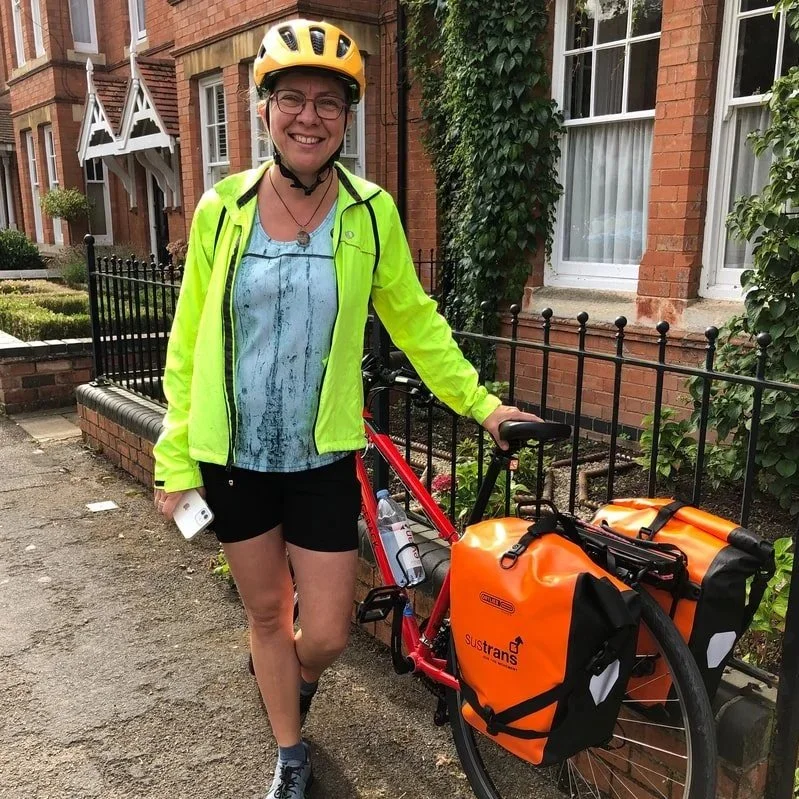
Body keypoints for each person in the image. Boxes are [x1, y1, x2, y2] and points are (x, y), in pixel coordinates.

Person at [152, 18, 540, 799]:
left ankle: (287, 675)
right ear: (264, 110)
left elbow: (416, 322)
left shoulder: (369, 213)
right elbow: (188, 340)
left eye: (328, 102)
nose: (309, 116)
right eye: (291, 98)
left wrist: (482, 404)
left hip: (321, 456)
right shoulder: (221, 210)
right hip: (232, 457)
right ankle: (290, 751)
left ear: (346, 117)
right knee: (268, 613)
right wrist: (174, 456)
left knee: (326, 631)